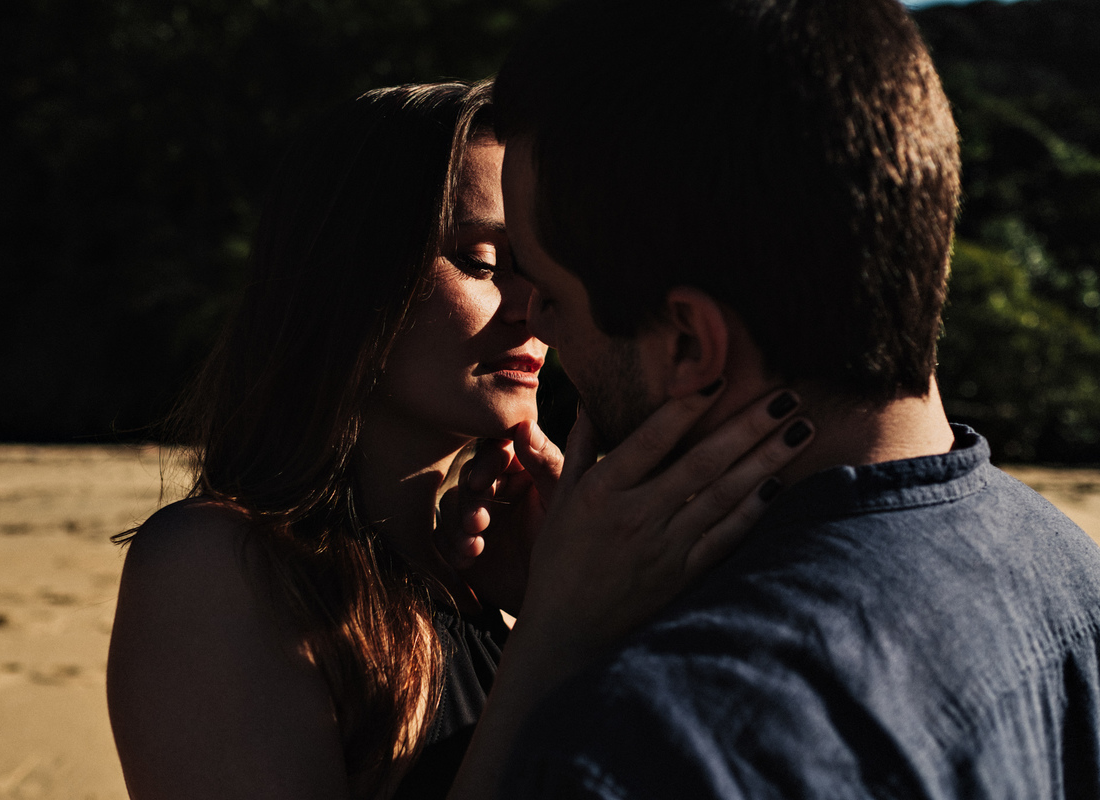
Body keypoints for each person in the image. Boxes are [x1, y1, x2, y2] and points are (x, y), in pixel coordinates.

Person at [105, 81, 815, 800]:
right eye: (481, 261)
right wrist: (556, 636)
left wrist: (577, 610)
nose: (532, 307)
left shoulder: (473, 587)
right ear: (345, 277)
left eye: (544, 271)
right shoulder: (215, 567)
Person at [467, 0, 1100, 797]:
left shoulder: (661, 739)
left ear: (691, 344)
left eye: (549, 289)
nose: (533, 320)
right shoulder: (1063, 564)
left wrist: (553, 647)